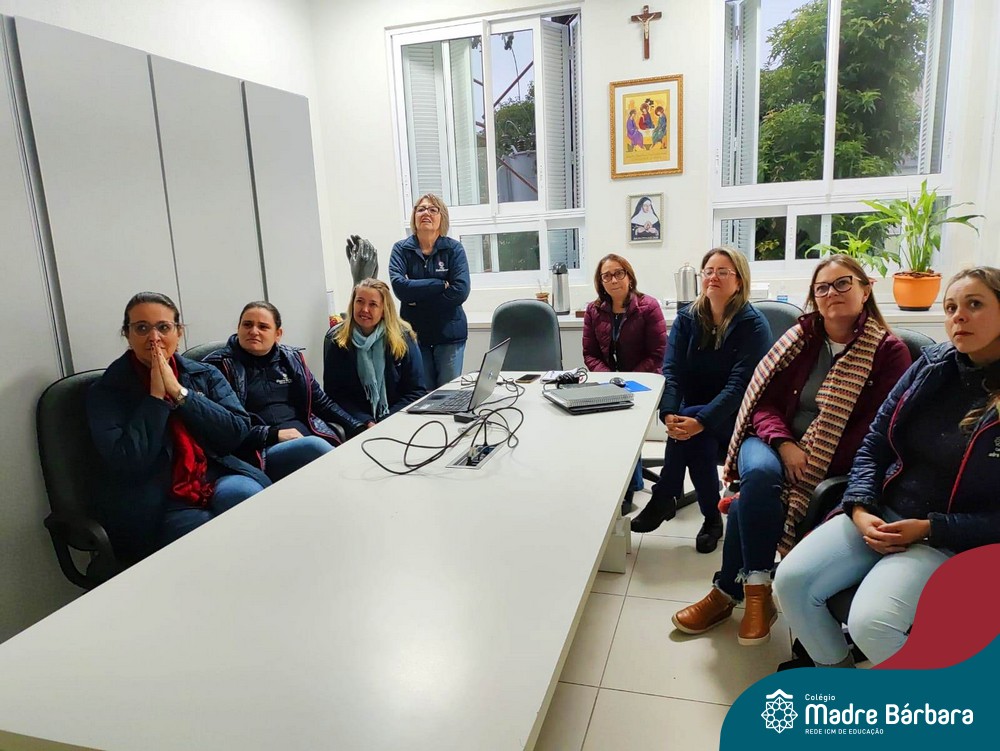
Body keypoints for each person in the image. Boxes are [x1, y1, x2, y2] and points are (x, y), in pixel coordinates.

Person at [671, 255, 911, 647]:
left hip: (829, 461)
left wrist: (813, 459)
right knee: (761, 474)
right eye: (822, 288)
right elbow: (762, 403)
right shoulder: (800, 339)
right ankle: (756, 592)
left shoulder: (889, 352)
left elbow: (875, 432)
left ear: (866, 290)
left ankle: (730, 591)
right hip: (768, 440)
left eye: (843, 284)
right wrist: (784, 443)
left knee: (750, 498)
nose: (832, 293)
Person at [774, 266, 1000, 666]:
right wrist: (860, 508)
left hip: (948, 537)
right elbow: (875, 442)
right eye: (950, 307)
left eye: (974, 304)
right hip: (882, 514)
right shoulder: (932, 366)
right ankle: (836, 676)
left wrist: (930, 528)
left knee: (872, 623)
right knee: (790, 581)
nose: (958, 317)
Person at [88, 292, 269, 561]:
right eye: (142, 328)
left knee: (247, 497)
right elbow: (129, 461)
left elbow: (236, 433)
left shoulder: (203, 373)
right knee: (213, 537)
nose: (154, 338)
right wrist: (156, 399)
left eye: (163, 327)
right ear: (127, 334)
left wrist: (181, 394)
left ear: (179, 332)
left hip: (213, 474)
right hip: (157, 498)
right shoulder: (106, 391)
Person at [631, 248, 771, 553]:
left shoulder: (754, 325)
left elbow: (739, 387)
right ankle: (711, 519)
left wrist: (701, 420)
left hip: (738, 417)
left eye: (723, 271)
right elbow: (672, 371)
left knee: (694, 429)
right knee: (696, 441)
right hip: (695, 417)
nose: (713, 277)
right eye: (708, 271)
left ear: (739, 280)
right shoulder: (687, 319)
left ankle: (666, 495)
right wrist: (669, 412)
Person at [203, 301, 364, 482]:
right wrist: (273, 435)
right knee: (316, 448)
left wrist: (357, 427)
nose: (254, 331)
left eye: (263, 327)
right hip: (259, 452)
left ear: (278, 334)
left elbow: (322, 403)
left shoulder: (291, 359)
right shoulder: (217, 368)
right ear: (238, 328)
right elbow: (220, 427)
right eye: (247, 325)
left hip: (305, 439)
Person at [583, 254, 667, 514]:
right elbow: (590, 354)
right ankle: (614, 480)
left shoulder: (648, 307)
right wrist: (611, 380)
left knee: (626, 424)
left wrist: (629, 379)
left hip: (645, 381)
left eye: (619, 273)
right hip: (609, 382)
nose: (613, 280)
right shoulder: (593, 310)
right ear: (600, 282)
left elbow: (658, 354)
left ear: (629, 276)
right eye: (606, 276)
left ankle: (628, 489)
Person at [389, 193, 471, 389]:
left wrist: (417, 299)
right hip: (415, 336)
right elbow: (400, 288)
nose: (426, 213)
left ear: (442, 217)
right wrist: (440, 285)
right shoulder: (401, 249)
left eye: (433, 209)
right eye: (421, 209)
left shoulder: (454, 249)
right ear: (414, 216)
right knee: (422, 394)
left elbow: (460, 290)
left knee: (448, 395)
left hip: (449, 336)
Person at [324, 278, 427, 425]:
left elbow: (416, 391)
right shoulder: (338, 341)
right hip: (356, 423)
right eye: (360, 301)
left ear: (384, 310)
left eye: (373, 304)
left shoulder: (403, 338)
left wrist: (385, 421)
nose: (364, 309)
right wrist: (366, 421)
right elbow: (335, 395)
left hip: (397, 419)